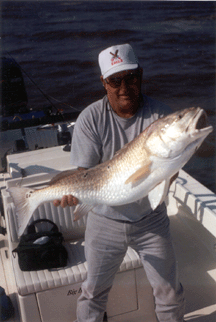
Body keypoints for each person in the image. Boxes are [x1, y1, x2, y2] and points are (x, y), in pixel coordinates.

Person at [54, 44, 185, 322]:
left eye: (130, 77)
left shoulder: (161, 117)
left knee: (170, 292)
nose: (124, 86)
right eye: (115, 80)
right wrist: (73, 194)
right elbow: (85, 174)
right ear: (103, 82)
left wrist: (171, 167)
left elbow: (167, 174)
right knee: (92, 294)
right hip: (105, 221)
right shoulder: (90, 118)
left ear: (141, 75)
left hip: (151, 220)